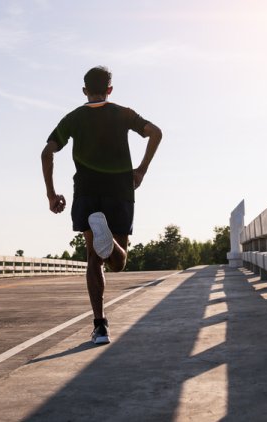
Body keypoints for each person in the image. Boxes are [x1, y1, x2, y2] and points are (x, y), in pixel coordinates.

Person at [40, 66, 162, 345]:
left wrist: (51, 194)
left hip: (87, 192)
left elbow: (47, 153)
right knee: (118, 263)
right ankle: (111, 242)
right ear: (110, 89)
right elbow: (155, 132)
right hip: (119, 191)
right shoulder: (123, 113)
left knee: (94, 260)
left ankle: (100, 326)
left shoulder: (73, 118)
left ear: (84, 91)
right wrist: (141, 170)